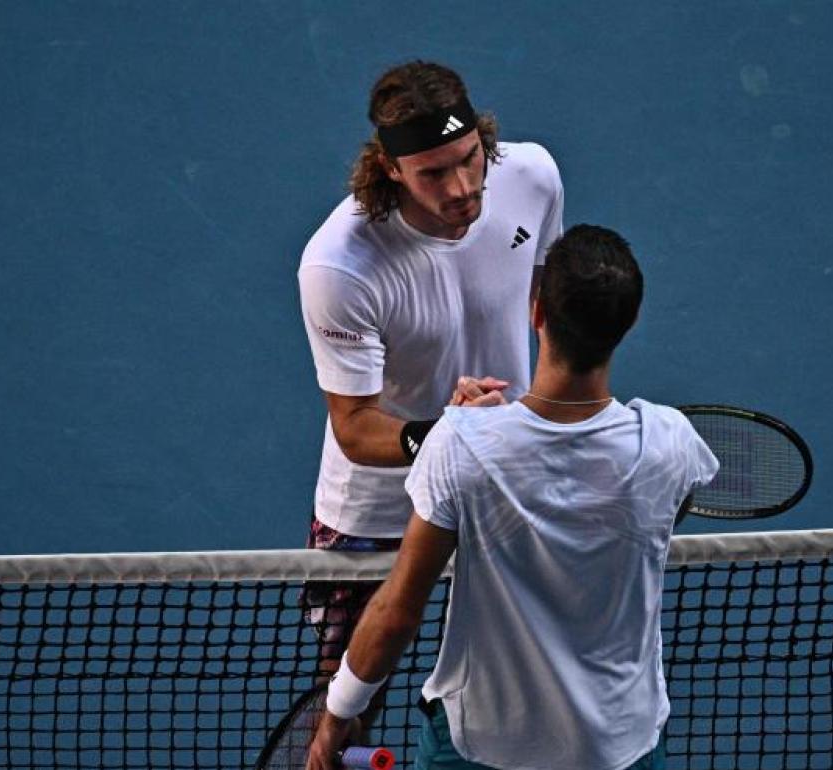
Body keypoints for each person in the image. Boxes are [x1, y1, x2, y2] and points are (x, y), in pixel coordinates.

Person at [306, 225, 720, 770]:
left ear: (538, 313)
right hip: (620, 747)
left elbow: (399, 609)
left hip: (481, 748)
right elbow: (658, 515)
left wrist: (338, 714)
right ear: (629, 323)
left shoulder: (461, 446)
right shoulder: (672, 445)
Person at [296, 60, 564, 678]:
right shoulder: (340, 265)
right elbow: (356, 427)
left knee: (525, 678)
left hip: (503, 482)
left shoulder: (534, 177)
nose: (462, 188)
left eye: (470, 158)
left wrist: (546, 423)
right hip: (377, 510)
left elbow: (544, 311)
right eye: (433, 173)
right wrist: (447, 433)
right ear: (391, 169)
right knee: (346, 693)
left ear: (484, 139)